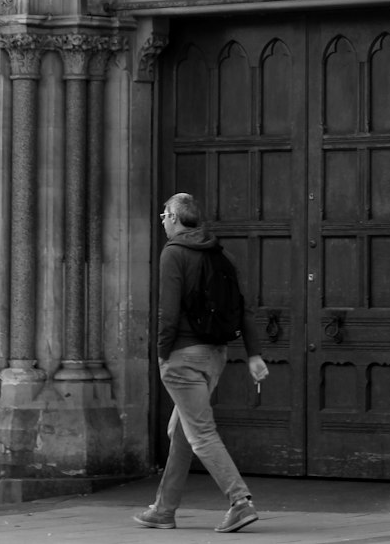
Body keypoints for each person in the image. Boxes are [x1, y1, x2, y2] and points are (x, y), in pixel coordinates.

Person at [134, 192, 269, 533]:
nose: (162, 221)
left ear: (175, 218)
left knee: (201, 434)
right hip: (214, 356)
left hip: (183, 358)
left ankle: (240, 501)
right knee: (181, 430)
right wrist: (253, 353)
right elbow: (243, 308)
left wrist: (163, 354)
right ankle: (164, 510)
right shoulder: (219, 254)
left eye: (164, 215)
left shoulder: (174, 254)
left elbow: (168, 311)